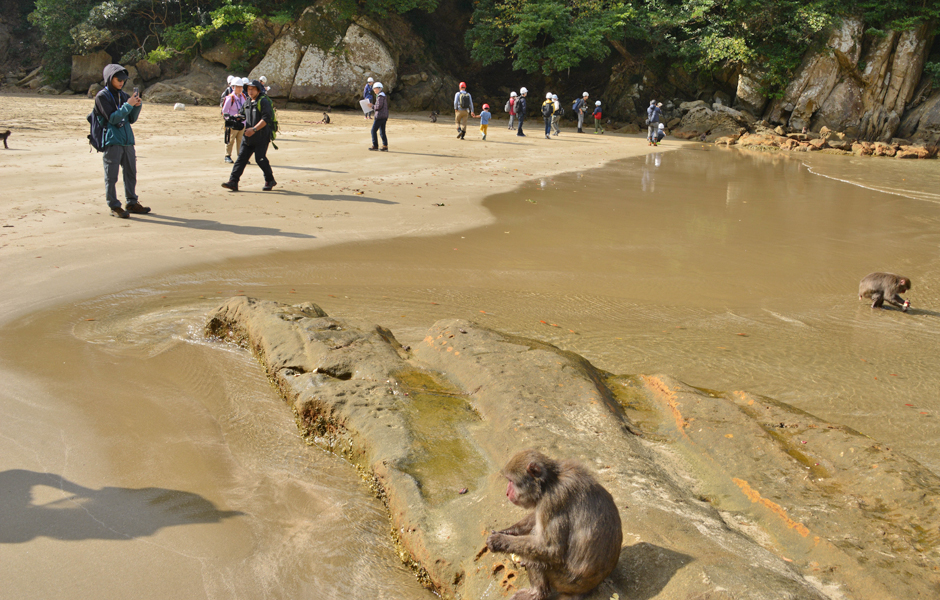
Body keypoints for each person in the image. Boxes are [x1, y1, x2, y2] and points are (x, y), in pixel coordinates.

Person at [95, 63, 147, 218]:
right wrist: (128, 105)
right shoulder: (102, 97)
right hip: (112, 141)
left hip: (127, 141)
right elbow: (112, 118)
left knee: (131, 173)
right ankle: (114, 206)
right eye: (118, 79)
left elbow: (131, 119)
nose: (121, 82)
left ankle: (131, 202)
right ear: (110, 78)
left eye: (123, 80)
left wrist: (136, 106)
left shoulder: (123, 95)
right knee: (111, 176)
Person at [221, 80, 276, 192]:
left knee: (260, 159)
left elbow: (266, 119)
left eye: (253, 89)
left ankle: (270, 180)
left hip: (261, 136)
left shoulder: (263, 101)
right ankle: (233, 181)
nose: (250, 91)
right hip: (248, 136)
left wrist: (254, 129)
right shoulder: (247, 101)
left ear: (258, 90)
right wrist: (236, 118)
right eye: (249, 89)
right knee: (241, 159)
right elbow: (242, 114)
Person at [222, 77, 248, 163]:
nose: (240, 89)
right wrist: (229, 119)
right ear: (233, 87)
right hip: (233, 123)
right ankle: (227, 155)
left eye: (241, 87)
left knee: (241, 140)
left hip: (242, 122)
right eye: (238, 87)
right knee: (230, 140)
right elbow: (224, 111)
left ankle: (241, 156)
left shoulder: (243, 96)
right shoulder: (230, 98)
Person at [368, 81, 389, 151]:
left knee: (373, 131)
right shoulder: (383, 96)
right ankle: (385, 146)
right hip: (384, 116)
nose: (374, 90)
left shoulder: (380, 97)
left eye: (375, 89)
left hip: (379, 116)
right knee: (382, 132)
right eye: (374, 89)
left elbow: (378, 107)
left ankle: (375, 145)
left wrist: (372, 106)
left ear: (380, 88)